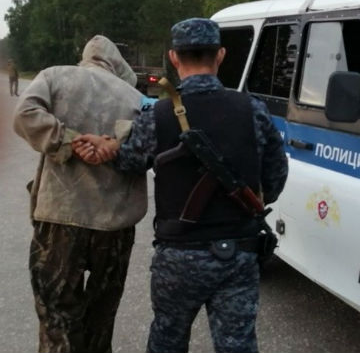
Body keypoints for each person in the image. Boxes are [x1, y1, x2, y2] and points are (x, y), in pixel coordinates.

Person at [74, 18, 288, 353]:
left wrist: (105, 149)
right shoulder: (253, 110)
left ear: (174, 58)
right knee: (238, 345)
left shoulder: (158, 115)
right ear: (220, 55)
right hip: (238, 253)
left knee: (168, 341)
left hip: (178, 257)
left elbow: (130, 162)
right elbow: (275, 175)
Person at [13, 35, 148, 353]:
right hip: (115, 227)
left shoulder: (54, 77)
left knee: (57, 315)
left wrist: (67, 140)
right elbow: (146, 146)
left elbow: (24, 114)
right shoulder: (135, 98)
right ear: (117, 64)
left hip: (59, 220)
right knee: (102, 315)